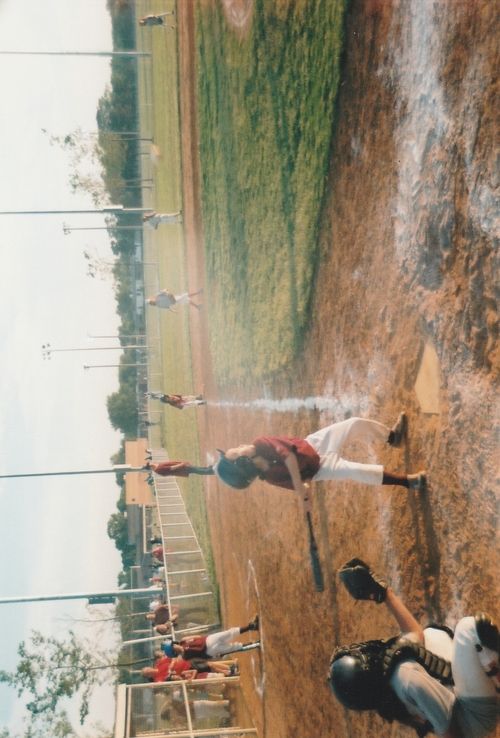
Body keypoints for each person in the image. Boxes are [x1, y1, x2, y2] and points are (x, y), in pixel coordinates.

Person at [328, 559, 499, 737]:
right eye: (362, 655)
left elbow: (415, 634)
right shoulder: (407, 678)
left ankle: (484, 677)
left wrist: (384, 594)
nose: (364, 650)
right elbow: (451, 733)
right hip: (474, 716)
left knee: (430, 634)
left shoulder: (390, 681)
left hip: (461, 703)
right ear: (368, 670)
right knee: (469, 629)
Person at [213, 413, 426, 510]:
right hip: (321, 469)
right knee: (357, 471)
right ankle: (408, 482)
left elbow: (288, 455)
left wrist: (299, 485)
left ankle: (391, 437)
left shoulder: (261, 443)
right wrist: (305, 493)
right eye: (236, 452)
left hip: (315, 444)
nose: (238, 446)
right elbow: (300, 483)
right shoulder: (270, 477)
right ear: (245, 463)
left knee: (353, 424)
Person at [162, 617, 260, 660]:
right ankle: (256, 644)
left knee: (230, 632)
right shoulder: (185, 657)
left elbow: (198, 636)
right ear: (174, 651)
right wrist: (213, 657)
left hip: (208, 640)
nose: (174, 645)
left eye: (173, 644)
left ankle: (251, 626)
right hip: (210, 651)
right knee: (234, 647)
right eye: (172, 646)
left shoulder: (183, 641)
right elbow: (200, 659)